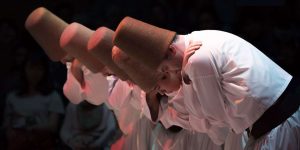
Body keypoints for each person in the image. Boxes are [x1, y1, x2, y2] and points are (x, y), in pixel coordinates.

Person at [113, 16, 300, 149]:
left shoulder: (196, 61)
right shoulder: (201, 37)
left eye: (164, 71)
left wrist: (187, 80)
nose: (171, 72)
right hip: (274, 120)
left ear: (170, 51)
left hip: (278, 123)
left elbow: (218, 126)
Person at [2, 52, 65, 150]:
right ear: (24, 69)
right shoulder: (12, 96)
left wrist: (32, 129)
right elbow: (7, 123)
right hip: (17, 141)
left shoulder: (52, 96)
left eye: (39, 68)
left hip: (41, 141)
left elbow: (53, 126)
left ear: (45, 71)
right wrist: (10, 133)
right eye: (31, 67)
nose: (35, 72)